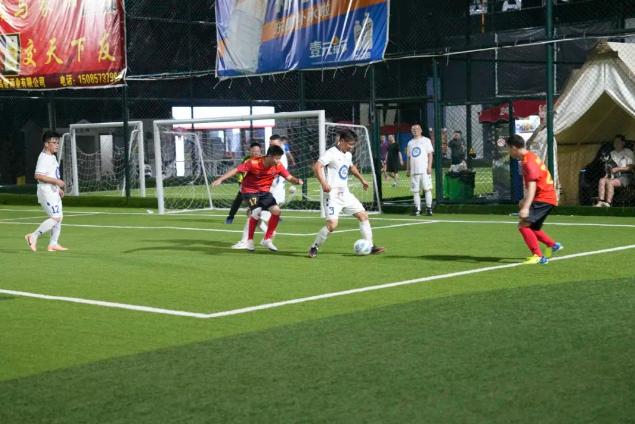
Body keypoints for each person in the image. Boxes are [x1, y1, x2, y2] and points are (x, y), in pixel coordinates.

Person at [308, 130, 386, 258]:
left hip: (345, 194)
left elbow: (351, 167)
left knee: (363, 216)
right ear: (342, 141)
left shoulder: (348, 154)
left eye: (353, 144)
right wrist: (323, 183)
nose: (351, 147)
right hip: (332, 196)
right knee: (332, 225)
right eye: (349, 144)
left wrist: (362, 179)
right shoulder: (331, 153)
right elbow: (317, 167)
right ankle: (314, 247)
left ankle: (371, 246)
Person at [211, 145, 303, 252]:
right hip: (249, 191)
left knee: (276, 210)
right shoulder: (253, 163)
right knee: (256, 211)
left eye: (280, 159)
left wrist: (296, 181)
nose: (278, 161)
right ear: (269, 156)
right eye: (277, 158)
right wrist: (220, 179)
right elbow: (236, 170)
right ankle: (248, 241)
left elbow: (289, 177)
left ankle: (267, 239)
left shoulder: (278, 165)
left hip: (265, 193)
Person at [506, 134, 562, 265]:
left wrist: (526, 207)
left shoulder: (528, 162)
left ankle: (538, 256)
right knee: (532, 228)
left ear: (513, 148)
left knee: (523, 225)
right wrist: (525, 200)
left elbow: (533, 185)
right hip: (546, 197)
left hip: (543, 198)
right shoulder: (530, 157)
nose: (508, 152)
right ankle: (552, 245)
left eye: (508, 149)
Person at [25, 130, 68, 252]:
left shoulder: (52, 157)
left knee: (59, 217)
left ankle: (53, 244)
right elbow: (38, 176)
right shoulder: (43, 158)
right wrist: (56, 181)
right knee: (56, 218)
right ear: (46, 144)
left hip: (53, 190)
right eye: (54, 142)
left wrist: (57, 188)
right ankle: (32, 236)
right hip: (46, 191)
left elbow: (51, 174)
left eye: (57, 142)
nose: (57, 145)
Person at [225, 142, 262, 224]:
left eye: (258, 151)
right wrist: (240, 183)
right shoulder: (246, 160)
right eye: (254, 151)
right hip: (246, 185)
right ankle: (230, 217)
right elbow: (240, 172)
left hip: (259, 184)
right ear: (250, 151)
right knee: (238, 200)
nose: (256, 153)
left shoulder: (263, 159)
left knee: (267, 198)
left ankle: (276, 216)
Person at [593, 135, 634, 207]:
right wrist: (606, 176)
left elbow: (630, 167)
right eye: (615, 142)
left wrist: (617, 169)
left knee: (610, 182)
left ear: (623, 143)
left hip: (626, 175)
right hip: (614, 175)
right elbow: (609, 166)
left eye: (618, 142)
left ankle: (608, 203)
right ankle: (601, 202)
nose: (616, 144)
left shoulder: (628, 152)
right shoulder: (612, 153)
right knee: (602, 180)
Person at [406, 124, 434, 216]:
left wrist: (429, 166)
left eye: (417, 129)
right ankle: (418, 209)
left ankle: (429, 208)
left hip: (424, 169)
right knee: (415, 191)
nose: (415, 131)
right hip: (414, 171)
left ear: (421, 130)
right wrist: (407, 169)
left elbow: (430, 154)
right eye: (413, 129)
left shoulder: (426, 140)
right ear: (411, 131)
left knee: (427, 189)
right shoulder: (410, 143)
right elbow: (409, 157)